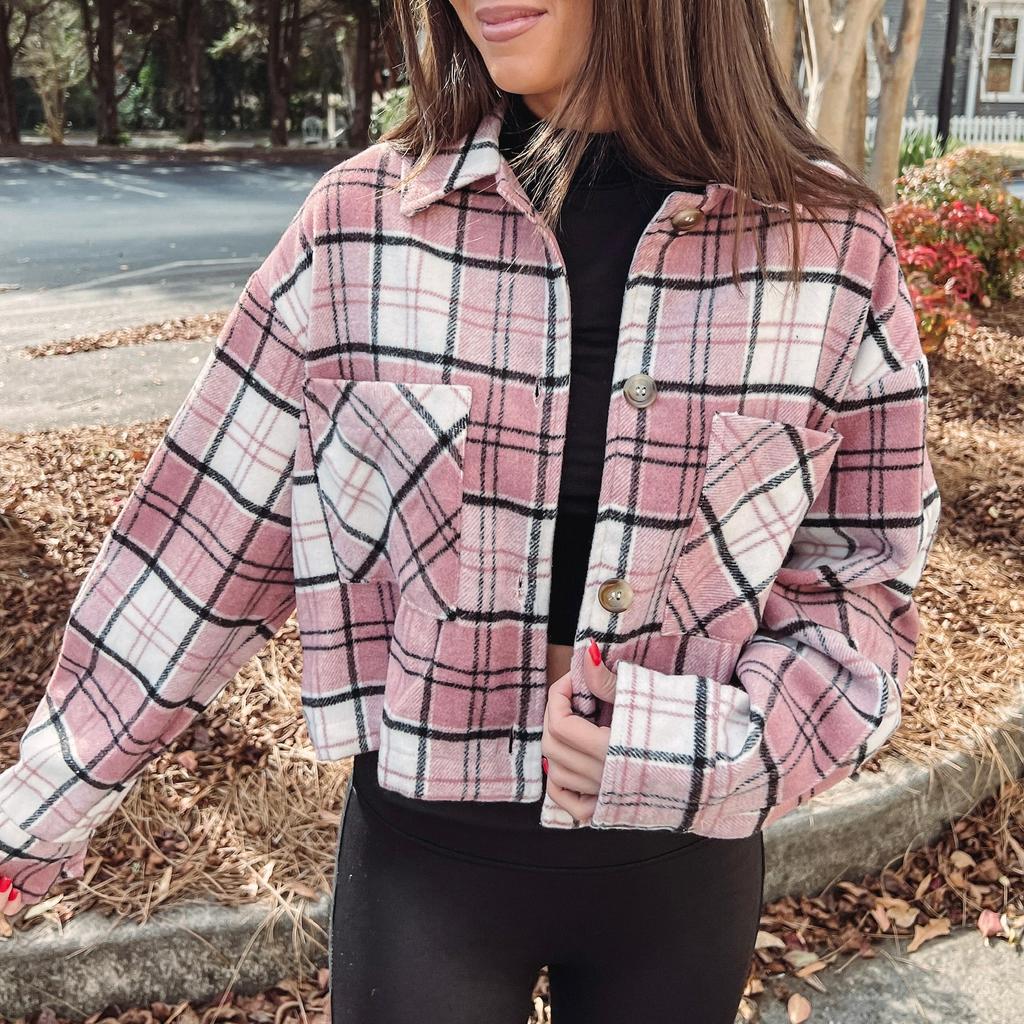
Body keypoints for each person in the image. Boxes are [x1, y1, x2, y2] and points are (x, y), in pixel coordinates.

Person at [0, 2, 941, 1022]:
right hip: (423, 868)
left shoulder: (830, 247)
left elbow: (860, 586)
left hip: (682, 875)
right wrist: (37, 810)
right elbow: (197, 546)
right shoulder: (364, 223)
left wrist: (706, 746)